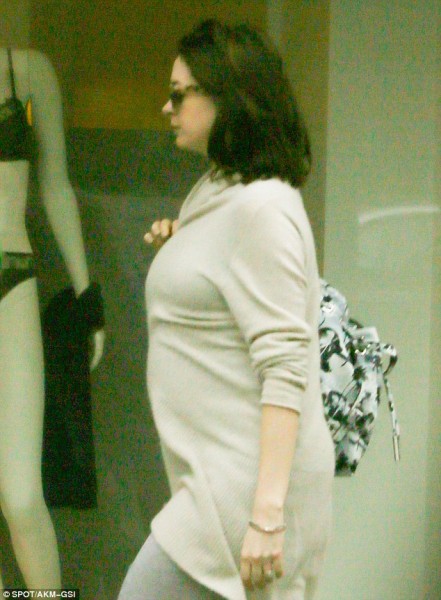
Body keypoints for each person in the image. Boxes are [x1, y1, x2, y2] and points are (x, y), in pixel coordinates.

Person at [118, 19, 334, 600]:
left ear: (227, 97)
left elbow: (286, 366)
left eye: (179, 93)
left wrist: (266, 517)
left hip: (245, 496)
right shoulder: (221, 190)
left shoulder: (263, 207)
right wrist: (181, 247)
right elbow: (222, 282)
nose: (166, 108)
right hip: (219, 483)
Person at [0, 47, 104, 589]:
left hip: (11, 277)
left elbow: (56, 185)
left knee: (22, 499)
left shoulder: (27, 71)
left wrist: (87, 297)